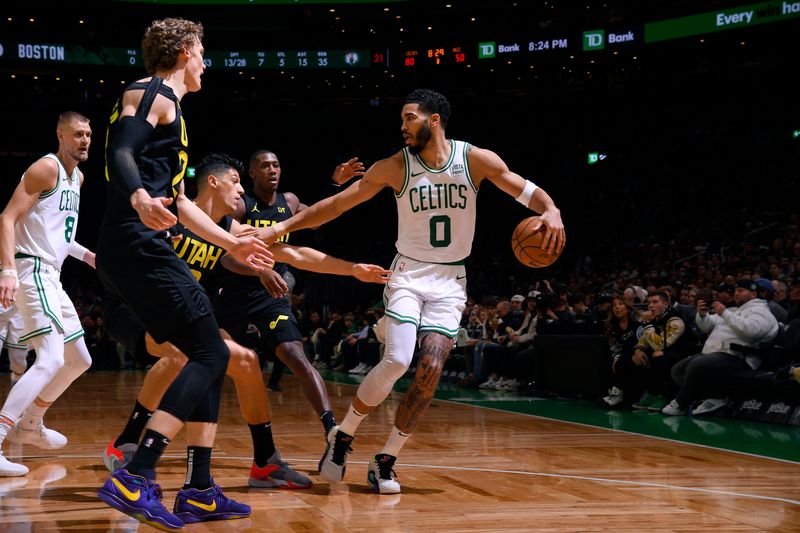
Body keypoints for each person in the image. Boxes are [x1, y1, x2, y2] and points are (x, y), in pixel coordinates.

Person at [261, 88, 565, 493]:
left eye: (409, 118)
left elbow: (524, 189)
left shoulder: (474, 160)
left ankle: (385, 459)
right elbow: (338, 205)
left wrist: (552, 210)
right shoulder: (395, 167)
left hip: (451, 281)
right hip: (407, 273)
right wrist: (282, 227)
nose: (402, 126)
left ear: (433, 120)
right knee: (399, 359)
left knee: (431, 371)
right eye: (402, 119)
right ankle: (344, 435)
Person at [101, 153, 390, 491]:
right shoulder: (171, 213)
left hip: (176, 315)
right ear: (213, 182)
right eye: (235, 182)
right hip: (131, 309)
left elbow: (292, 253)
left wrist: (351, 269)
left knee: (246, 361)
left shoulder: (230, 230)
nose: (241, 192)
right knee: (195, 355)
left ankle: (263, 461)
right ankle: (141, 457)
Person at [94, 18, 271, 529]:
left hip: (137, 242)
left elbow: (180, 204)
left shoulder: (174, 111)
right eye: (202, 51)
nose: (205, 61)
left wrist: (230, 239)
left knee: (207, 352)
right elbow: (121, 151)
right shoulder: (149, 93)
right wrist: (137, 196)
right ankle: (136, 474)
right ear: (185, 51)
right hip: (135, 244)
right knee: (212, 352)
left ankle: (198, 489)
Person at [214, 149, 365, 439]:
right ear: (252, 173)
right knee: (212, 363)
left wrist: (335, 186)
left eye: (276, 164)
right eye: (265, 166)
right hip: (234, 293)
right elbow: (226, 257)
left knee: (295, 354)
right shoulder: (241, 206)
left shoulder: (290, 202)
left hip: (270, 296)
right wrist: (260, 270)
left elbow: (317, 218)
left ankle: (331, 428)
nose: (272, 170)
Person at [0, 112, 95, 477]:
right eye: (77, 134)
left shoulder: (78, 178)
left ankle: (31, 422)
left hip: (52, 275)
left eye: (88, 134)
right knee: (51, 358)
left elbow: (59, 234)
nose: (84, 140)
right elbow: (8, 218)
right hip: (30, 268)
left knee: (79, 359)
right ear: (60, 135)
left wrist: (89, 256)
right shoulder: (46, 168)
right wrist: (8, 270)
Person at [662, 279, 779, 416]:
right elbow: (707, 326)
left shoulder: (761, 312)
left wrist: (724, 313)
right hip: (715, 355)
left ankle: (681, 403)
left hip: (739, 357)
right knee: (678, 371)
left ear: (753, 294)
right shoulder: (733, 310)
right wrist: (702, 315)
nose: (736, 294)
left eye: (741, 291)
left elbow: (751, 332)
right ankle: (715, 396)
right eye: (735, 291)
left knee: (698, 364)